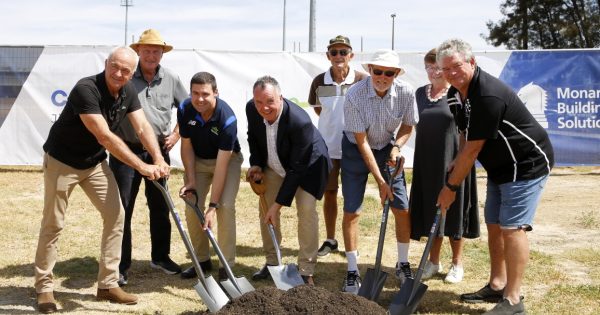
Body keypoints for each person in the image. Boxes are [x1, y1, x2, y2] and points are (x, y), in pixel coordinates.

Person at [34, 46, 170, 313]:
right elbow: (105, 137)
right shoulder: (86, 89)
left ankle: (107, 284)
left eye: (125, 70)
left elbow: (142, 127)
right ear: (106, 63)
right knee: (54, 223)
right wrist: (142, 165)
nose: (118, 73)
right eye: (114, 66)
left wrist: (158, 158)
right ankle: (44, 288)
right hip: (63, 161)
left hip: (94, 163)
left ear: (133, 74)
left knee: (116, 215)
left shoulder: (128, 91)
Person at [435, 38, 554, 315]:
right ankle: (498, 284)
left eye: (456, 66)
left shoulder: (487, 95)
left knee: (512, 228)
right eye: (445, 69)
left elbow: (475, 148)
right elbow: (465, 133)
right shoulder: (454, 94)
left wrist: (450, 188)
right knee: (494, 224)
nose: (451, 73)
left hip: (527, 163)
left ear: (472, 62)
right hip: (500, 165)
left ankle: (513, 301)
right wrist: (457, 157)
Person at [110, 28, 188, 286]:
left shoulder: (172, 78)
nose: (152, 55)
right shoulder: (126, 78)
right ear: (138, 52)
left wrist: (176, 134)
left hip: (158, 152)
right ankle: (120, 266)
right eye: (147, 51)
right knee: (123, 208)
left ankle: (161, 256)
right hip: (126, 151)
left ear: (162, 54)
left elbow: (187, 109)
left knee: (160, 205)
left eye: (156, 51)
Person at [341, 49, 418, 294]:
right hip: (356, 149)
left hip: (387, 147)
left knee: (402, 208)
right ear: (371, 70)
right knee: (352, 210)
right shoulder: (354, 94)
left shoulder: (406, 92)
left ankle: (403, 263)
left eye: (388, 72)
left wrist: (396, 147)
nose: (382, 76)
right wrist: (380, 181)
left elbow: (408, 124)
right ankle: (352, 270)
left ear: (396, 74)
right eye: (378, 71)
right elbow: (362, 142)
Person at [246, 75, 331, 285]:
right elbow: (253, 137)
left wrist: (278, 206)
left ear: (281, 98)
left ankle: (306, 269)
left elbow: (296, 170)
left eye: (270, 102)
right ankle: (272, 263)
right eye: (259, 102)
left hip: (308, 166)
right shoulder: (252, 108)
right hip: (275, 163)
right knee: (265, 210)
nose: (264, 108)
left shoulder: (299, 121)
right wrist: (256, 163)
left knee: (307, 211)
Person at [409, 48, 480, 284]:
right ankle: (433, 261)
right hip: (427, 162)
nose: (434, 71)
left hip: (453, 161)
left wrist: (460, 158)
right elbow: (413, 126)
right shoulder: (419, 94)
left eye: (438, 67)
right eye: (429, 67)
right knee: (432, 212)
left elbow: (468, 130)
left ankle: (457, 263)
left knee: (453, 211)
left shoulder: (458, 93)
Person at [177, 72, 243, 281]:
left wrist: (212, 206)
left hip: (227, 161)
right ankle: (202, 260)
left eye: (205, 94)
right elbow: (186, 146)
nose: (200, 99)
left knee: (225, 206)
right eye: (195, 93)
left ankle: (226, 265)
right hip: (198, 161)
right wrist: (191, 181)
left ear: (216, 92)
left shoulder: (227, 118)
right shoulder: (185, 109)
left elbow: (222, 165)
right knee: (191, 205)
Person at [308, 35, 367, 257]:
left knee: (353, 198)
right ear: (328, 56)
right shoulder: (319, 81)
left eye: (343, 52)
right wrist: (332, 125)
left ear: (351, 55)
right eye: (334, 52)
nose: (339, 56)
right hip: (328, 147)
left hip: (354, 147)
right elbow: (318, 109)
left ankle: (352, 246)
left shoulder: (363, 79)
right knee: (330, 193)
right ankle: (331, 240)